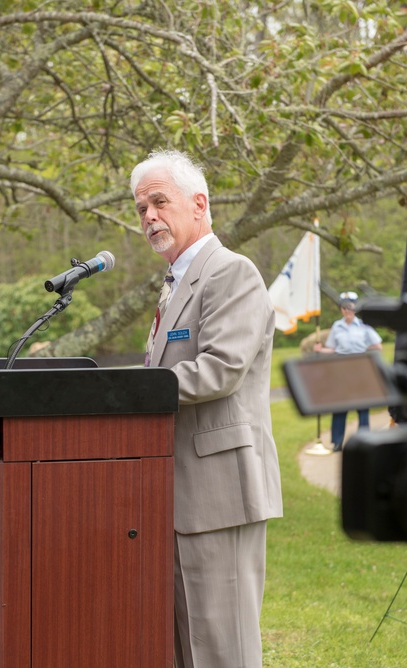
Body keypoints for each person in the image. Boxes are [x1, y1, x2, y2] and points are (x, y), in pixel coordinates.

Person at [132, 149, 283, 668]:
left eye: (159, 201)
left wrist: (130, 393)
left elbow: (220, 369)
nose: (149, 216)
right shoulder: (174, 284)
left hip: (219, 492)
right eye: (140, 209)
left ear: (199, 204)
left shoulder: (231, 272)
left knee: (222, 650)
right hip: (173, 495)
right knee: (180, 646)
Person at [313, 292, 383, 452]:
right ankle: (337, 442)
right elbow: (333, 349)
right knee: (340, 408)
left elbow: (378, 345)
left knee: (363, 408)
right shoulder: (337, 326)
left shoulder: (364, 325)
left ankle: (364, 442)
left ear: (356, 308)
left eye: (350, 307)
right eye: (344, 307)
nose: (347, 310)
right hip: (342, 370)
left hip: (360, 369)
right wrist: (320, 350)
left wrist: (364, 349)